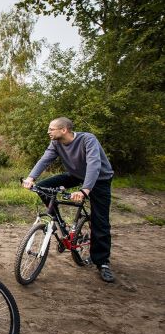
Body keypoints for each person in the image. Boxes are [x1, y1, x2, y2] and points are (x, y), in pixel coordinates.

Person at [22, 117, 115, 283]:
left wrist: (85, 191)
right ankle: (60, 222)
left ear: (64, 130)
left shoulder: (88, 139)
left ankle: (103, 263)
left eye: (52, 129)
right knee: (42, 187)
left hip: (100, 179)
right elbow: (45, 159)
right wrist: (31, 178)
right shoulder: (56, 144)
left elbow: (94, 164)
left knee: (100, 220)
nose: (48, 131)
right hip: (76, 176)